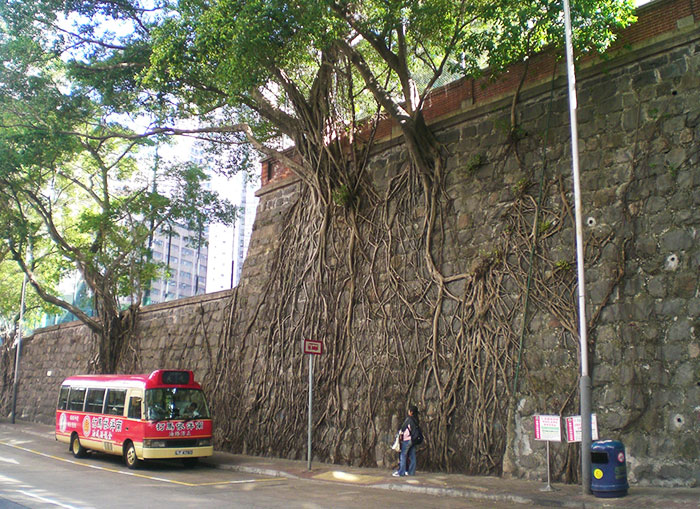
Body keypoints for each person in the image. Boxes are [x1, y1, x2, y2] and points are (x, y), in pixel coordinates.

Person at [393, 405, 419, 477]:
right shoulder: (416, 420)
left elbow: (403, 428)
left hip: (407, 440)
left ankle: (401, 472)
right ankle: (411, 472)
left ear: (411, 412)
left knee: (403, 455)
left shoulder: (409, 419)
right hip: (413, 440)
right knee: (412, 456)